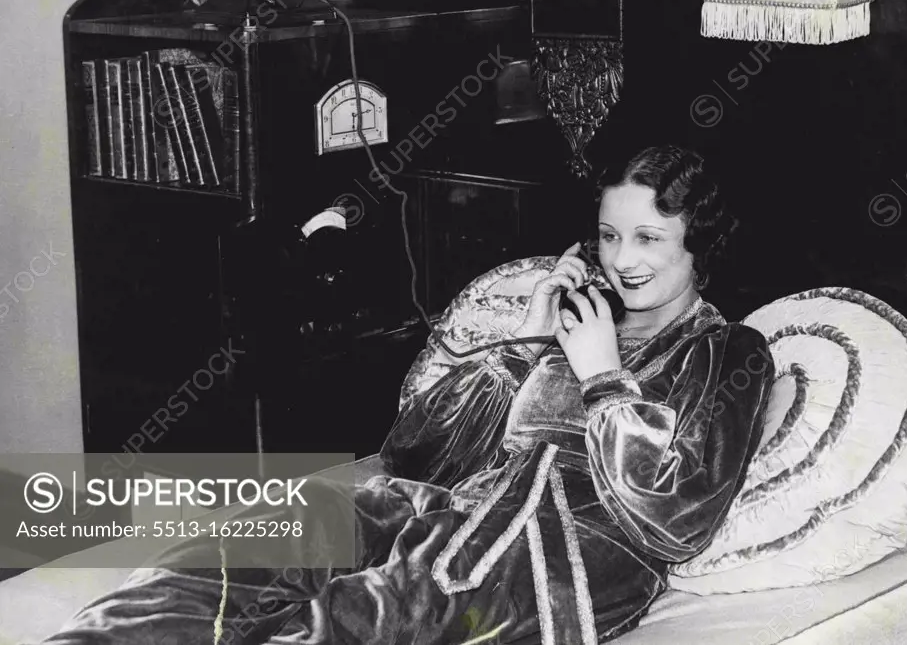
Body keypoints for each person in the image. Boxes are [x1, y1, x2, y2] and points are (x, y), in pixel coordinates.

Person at [42, 145, 774, 645]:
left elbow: (678, 517)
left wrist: (603, 377)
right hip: (460, 508)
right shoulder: (577, 324)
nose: (621, 260)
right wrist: (521, 344)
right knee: (252, 539)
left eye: (649, 238)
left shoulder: (728, 350)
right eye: (610, 235)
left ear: (695, 244)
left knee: (358, 616)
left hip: (564, 552)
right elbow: (413, 453)